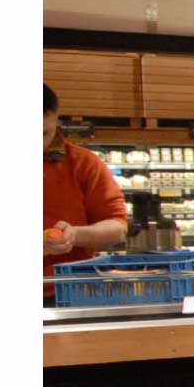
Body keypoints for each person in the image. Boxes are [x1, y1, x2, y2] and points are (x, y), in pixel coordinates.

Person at [43, 84, 128, 279]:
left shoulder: (83, 163)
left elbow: (117, 227)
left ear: (56, 120)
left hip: (64, 289)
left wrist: (75, 235)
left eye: (43, 134)